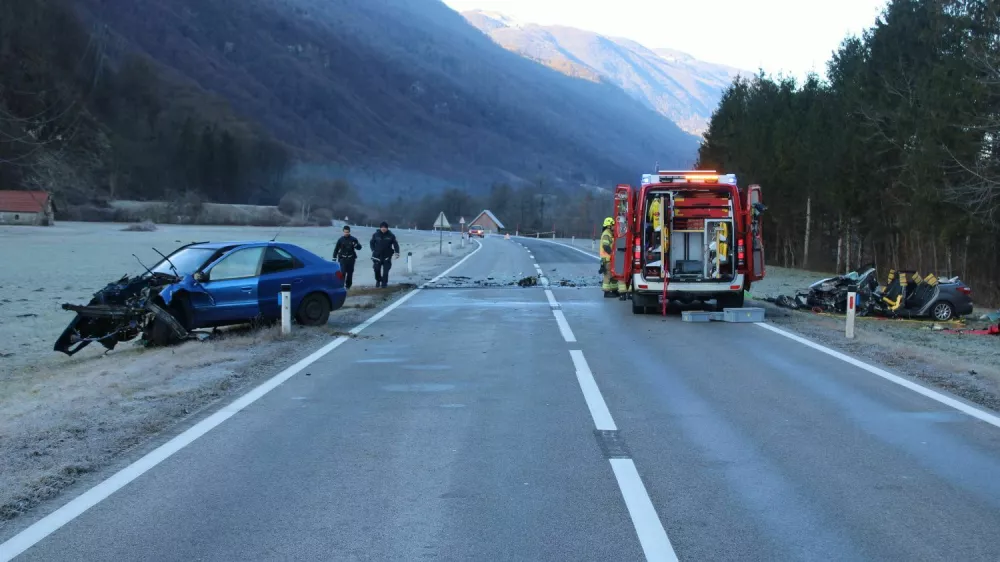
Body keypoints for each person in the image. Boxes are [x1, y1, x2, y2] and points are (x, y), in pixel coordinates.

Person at [370, 221, 400, 288]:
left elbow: (395, 244)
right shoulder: (375, 235)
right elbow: (371, 243)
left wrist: (397, 252)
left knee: (386, 271)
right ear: (380, 228)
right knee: (376, 270)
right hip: (377, 256)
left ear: (387, 228)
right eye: (382, 227)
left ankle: (384, 284)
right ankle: (378, 280)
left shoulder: (391, 235)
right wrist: (373, 250)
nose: (383, 228)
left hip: (387, 256)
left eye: (385, 227)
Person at [333, 225, 362, 289]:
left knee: (350, 273)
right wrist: (334, 258)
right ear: (343, 232)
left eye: (347, 232)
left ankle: (348, 286)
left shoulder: (353, 239)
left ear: (349, 232)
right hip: (342, 258)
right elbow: (336, 249)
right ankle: (341, 285)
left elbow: (359, 248)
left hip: (351, 258)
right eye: (345, 232)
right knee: (342, 272)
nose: (346, 233)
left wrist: (356, 245)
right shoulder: (340, 240)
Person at [599, 217, 616, 298]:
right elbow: (605, 246)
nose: (614, 226)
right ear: (609, 226)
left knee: (612, 275)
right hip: (607, 259)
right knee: (608, 275)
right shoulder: (606, 234)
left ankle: (614, 290)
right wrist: (612, 253)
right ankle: (606, 292)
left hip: (610, 258)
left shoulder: (609, 233)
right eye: (613, 225)